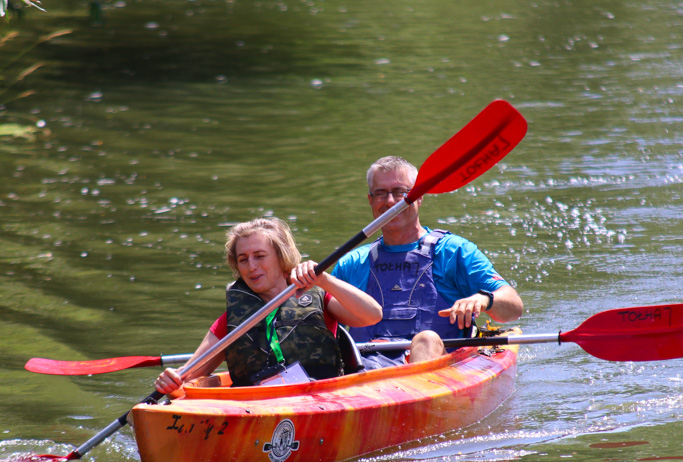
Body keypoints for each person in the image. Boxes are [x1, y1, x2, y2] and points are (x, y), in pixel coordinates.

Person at [332, 156, 523, 368]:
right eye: (380, 193)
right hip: (365, 373)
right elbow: (321, 326)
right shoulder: (351, 264)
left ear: (419, 197)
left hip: (439, 370)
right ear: (370, 200)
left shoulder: (453, 251)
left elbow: (514, 306)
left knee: (426, 339)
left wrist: (482, 299)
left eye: (399, 192)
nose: (389, 201)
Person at [154, 217, 382, 392]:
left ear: (281, 257)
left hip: (317, 397)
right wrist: (172, 380)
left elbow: (372, 315)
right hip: (257, 404)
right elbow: (188, 375)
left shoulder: (320, 297)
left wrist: (324, 279)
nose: (250, 266)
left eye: (259, 256)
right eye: (243, 259)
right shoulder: (234, 318)